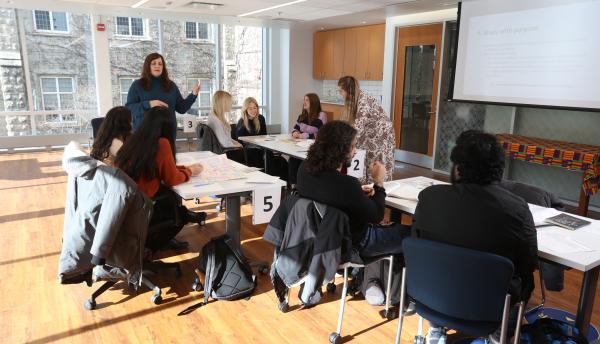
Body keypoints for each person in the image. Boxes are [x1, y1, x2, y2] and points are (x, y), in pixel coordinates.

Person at [412, 130, 538, 344]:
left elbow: (416, 242)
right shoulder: (517, 208)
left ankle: (436, 329)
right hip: (489, 304)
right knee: (524, 280)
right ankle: (500, 332)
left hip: (431, 296)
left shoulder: (429, 198)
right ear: (499, 170)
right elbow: (528, 263)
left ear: (457, 168)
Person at [297, 120, 410, 259]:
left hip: (317, 238)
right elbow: (376, 216)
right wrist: (379, 183)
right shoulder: (347, 184)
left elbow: (333, 196)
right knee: (413, 235)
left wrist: (358, 195)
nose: (355, 151)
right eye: (353, 146)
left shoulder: (304, 169)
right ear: (340, 150)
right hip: (354, 243)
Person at [115, 106, 206, 251]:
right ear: (168, 126)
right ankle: (150, 246)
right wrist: (190, 171)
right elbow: (172, 179)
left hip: (124, 208)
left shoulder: (134, 140)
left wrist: (183, 168)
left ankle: (149, 242)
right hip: (142, 208)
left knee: (171, 199)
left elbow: (162, 168)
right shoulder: (161, 143)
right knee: (181, 214)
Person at [126, 52, 199, 139]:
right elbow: (129, 109)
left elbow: (181, 108)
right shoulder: (137, 85)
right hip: (144, 136)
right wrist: (149, 104)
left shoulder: (171, 85)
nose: (157, 66)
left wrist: (193, 94)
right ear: (147, 66)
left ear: (163, 67)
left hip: (168, 135)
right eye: (153, 63)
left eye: (160, 64)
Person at [338, 76, 395, 183]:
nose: (340, 94)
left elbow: (358, 127)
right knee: (363, 156)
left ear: (348, 90)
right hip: (370, 133)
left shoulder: (363, 101)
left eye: (341, 91)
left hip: (380, 135)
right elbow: (351, 123)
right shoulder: (356, 99)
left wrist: (347, 142)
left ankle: (377, 188)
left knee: (375, 162)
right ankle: (365, 186)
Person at [207, 90, 245, 164]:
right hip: (225, 154)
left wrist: (236, 143)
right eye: (229, 102)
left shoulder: (216, 117)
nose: (231, 104)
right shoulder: (215, 120)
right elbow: (224, 143)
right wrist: (237, 145)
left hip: (224, 151)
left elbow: (226, 138)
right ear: (223, 103)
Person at [236, 97, 266, 168]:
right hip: (248, 149)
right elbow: (240, 141)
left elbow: (264, 136)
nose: (253, 110)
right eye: (250, 108)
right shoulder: (242, 122)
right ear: (245, 110)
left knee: (273, 156)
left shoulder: (261, 118)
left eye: (255, 108)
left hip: (261, 146)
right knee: (255, 152)